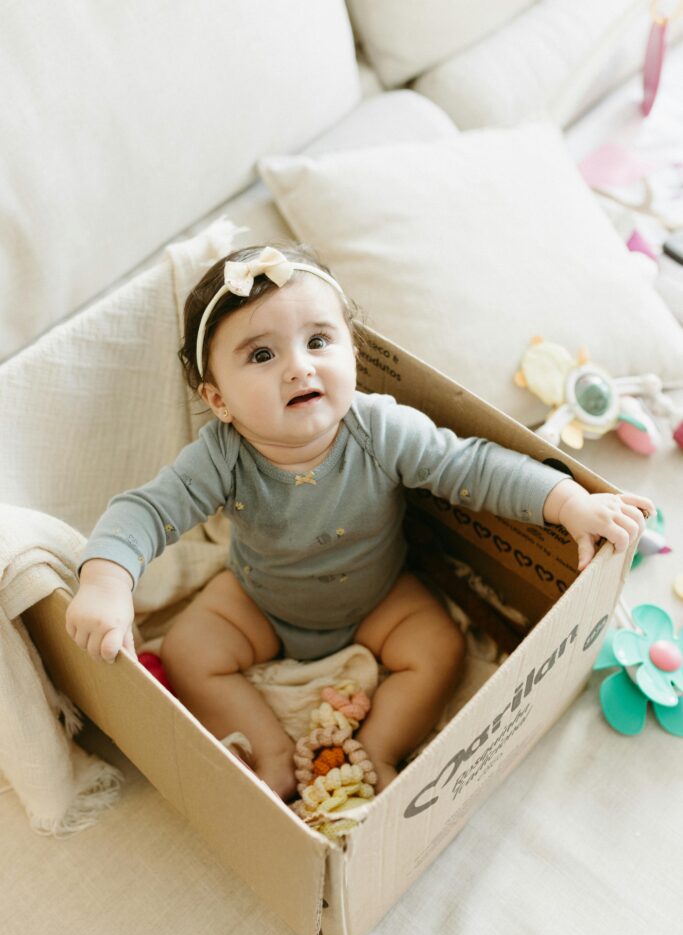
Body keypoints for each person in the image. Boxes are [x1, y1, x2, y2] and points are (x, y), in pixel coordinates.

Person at [66, 244, 655, 801]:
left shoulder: (379, 429)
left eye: (318, 340)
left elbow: (470, 466)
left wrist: (566, 502)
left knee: (439, 647)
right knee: (189, 650)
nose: (299, 367)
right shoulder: (222, 457)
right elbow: (148, 510)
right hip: (260, 599)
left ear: (353, 353)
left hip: (378, 595)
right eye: (262, 355)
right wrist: (107, 581)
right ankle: (272, 754)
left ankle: (378, 749)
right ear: (219, 400)